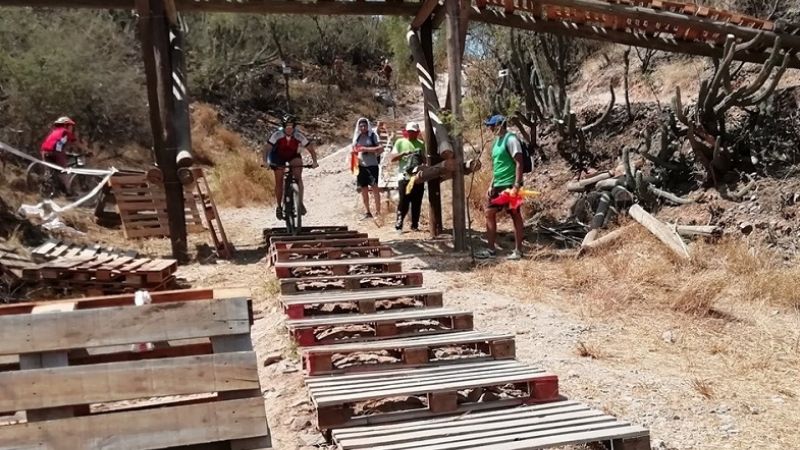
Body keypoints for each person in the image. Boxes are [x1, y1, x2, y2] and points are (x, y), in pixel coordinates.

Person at [477, 115, 526, 261]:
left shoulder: (511, 139)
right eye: (489, 126)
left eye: (492, 125)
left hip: (511, 184)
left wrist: (517, 185)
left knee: (515, 214)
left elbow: (519, 163)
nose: (490, 128)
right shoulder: (496, 142)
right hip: (498, 184)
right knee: (489, 213)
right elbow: (497, 166)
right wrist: (492, 184)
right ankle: (491, 250)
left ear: (500, 124)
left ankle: (518, 251)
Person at [265, 114, 318, 220]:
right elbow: (267, 148)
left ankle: (300, 202)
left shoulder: (298, 135)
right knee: (279, 181)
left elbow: (310, 148)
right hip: (277, 156)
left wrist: (314, 161)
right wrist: (265, 161)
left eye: (291, 127)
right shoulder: (277, 135)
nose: (289, 129)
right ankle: (279, 206)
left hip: (292, 155)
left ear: (294, 127)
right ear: (284, 127)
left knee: (298, 177)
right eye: (287, 127)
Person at [391, 122, 425, 233]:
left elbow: (425, 159)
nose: (411, 134)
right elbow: (392, 158)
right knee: (404, 201)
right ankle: (399, 225)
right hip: (404, 177)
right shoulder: (400, 142)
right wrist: (403, 154)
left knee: (417, 202)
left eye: (413, 132)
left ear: (417, 132)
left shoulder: (421, 144)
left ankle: (414, 225)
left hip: (418, 177)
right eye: (409, 131)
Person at [39, 116, 85, 196]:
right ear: (66, 125)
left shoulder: (54, 132)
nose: (71, 128)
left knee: (49, 170)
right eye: (70, 126)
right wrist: (87, 150)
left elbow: (58, 143)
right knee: (65, 171)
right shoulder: (66, 132)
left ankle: (47, 184)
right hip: (56, 152)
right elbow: (76, 143)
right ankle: (68, 192)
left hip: (44, 151)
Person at [352, 117, 383, 220]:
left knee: (375, 188)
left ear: (367, 126)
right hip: (361, 166)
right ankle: (367, 212)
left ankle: (378, 212)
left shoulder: (373, 136)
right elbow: (354, 149)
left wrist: (367, 149)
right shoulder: (357, 137)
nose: (363, 127)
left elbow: (380, 148)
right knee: (364, 189)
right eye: (361, 126)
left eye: (365, 125)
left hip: (372, 165)